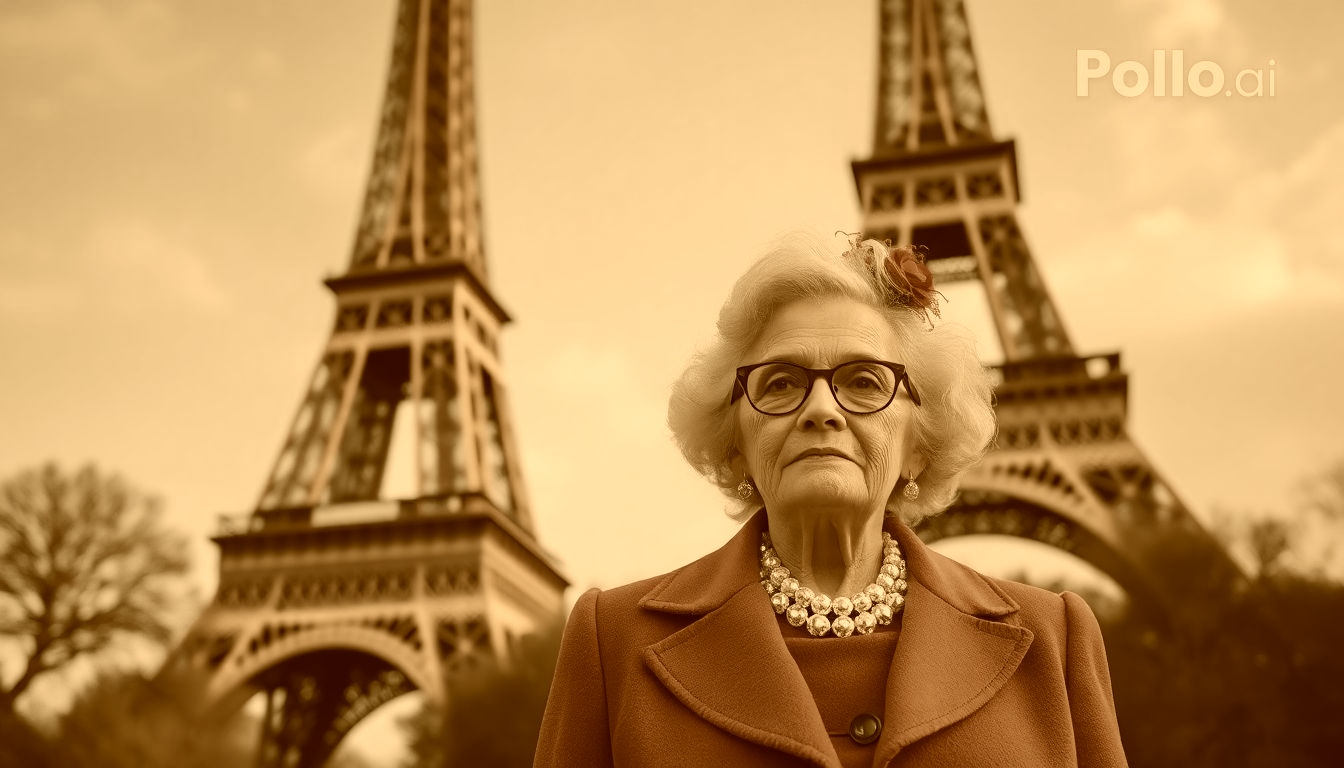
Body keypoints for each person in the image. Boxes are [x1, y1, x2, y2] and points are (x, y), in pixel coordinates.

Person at [534, 234, 1128, 768]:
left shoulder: (1055, 638)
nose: (822, 409)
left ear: (918, 445)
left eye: (865, 382)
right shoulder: (612, 643)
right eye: (782, 383)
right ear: (734, 442)